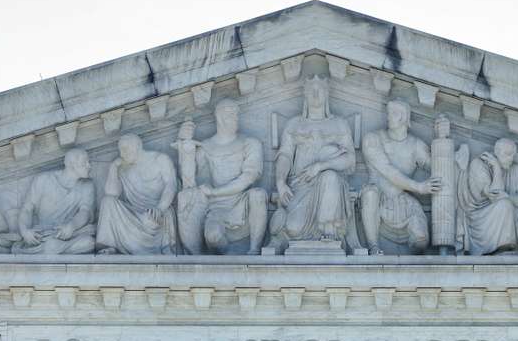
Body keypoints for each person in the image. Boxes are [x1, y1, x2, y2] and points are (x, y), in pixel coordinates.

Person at [268, 76, 360, 253]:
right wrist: (280, 182)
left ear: (327, 94)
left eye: (321, 90)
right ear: (305, 94)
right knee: (294, 228)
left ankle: (328, 228)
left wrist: (320, 166)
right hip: (300, 186)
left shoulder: (339, 124)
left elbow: (350, 161)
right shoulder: (294, 124)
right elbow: (285, 155)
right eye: (311, 90)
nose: (316, 94)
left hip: (331, 188)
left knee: (330, 177)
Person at [174, 99, 268, 255]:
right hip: (216, 208)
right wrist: (185, 145)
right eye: (231, 114)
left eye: (236, 114)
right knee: (213, 236)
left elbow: (249, 177)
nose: (236, 118)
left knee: (258, 195)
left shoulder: (250, 143)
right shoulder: (205, 146)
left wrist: (214, 192)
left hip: (243, 203)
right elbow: (190, 182)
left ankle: (254, 250)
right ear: (219, 117)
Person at [360, 100, 441, 255]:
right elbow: (388, 171)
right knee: (370, 194)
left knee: (422, 241)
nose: (388, 117)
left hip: (403, 202)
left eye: (393, 113)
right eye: (388, 113)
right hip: (378, 199)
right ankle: (373, 246)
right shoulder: (372, 139)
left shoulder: (416, 145)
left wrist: (446, 145)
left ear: (403, 118)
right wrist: (419, 187)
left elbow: (437, 167)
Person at [96, 134, 179, 255]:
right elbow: (111, 193)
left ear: (138, 146)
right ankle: (110, 246)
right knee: (107, 201)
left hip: (156, 213)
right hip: (134, 213)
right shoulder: (124, 169)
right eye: (120, 150)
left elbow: (171, 186)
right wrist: (113, 168)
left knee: (149, 220)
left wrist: (160, 208)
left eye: (125, 149)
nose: (122, 154)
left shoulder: (160, 159)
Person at [456, 138, 518, 255]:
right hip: (480, 216)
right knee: (504, 204)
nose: (511, 159)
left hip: (509, 211)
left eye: (513, 155)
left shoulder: (515, 169)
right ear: (496, 152)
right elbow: (495, 195)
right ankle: (504, 248)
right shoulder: (478, 164)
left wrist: (508, 196)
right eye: (508, 154)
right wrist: (497, 168)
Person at [14, 148, 97, 255]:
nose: (89, 166)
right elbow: (27, 208)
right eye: (84, 162)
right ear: (71, 164)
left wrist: (71, 226)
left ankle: (52, 248)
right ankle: (50, 248)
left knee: (89, 242)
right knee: (50, 245)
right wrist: (25, 231)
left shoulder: (87, 185)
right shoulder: (43, 179)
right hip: (43, 234)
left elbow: (85, 212)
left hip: (70, 234)